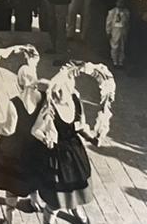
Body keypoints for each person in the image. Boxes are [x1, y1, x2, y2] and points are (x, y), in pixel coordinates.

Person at [0, 64, 52, 224]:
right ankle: (35, 202)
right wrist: (42, 81)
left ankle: (10, 220)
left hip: (15, 150)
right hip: (36, 147)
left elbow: (8, 130)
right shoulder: (44, 97)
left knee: (12, 185)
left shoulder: (14, 103)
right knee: (34, 175)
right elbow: (53, 87)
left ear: (18, 83)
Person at [37, 77, 97, 224]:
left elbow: (80, 126)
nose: (59, 95)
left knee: (75, 188)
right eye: (58, 91)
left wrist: (92, 139)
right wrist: (46, 139)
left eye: (63, 92)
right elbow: (36, 130)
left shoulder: (76, 100)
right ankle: (48, 219)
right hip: (56, 157)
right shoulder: (49, 107)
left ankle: (76, 209)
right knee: (56, 200)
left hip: (74, 154)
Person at [105, 0, 131, 68]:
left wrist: (127, 31)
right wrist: (108, 31)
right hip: (115, 30)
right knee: (115, 46)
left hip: (123, 30)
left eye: (122, 2)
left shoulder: (126, 12)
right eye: (119, 2)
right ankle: (115, 61)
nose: (120, 4)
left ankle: (120, 62)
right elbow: (108, 22)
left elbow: (127, 22)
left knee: (122, 46)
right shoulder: (112, 12)